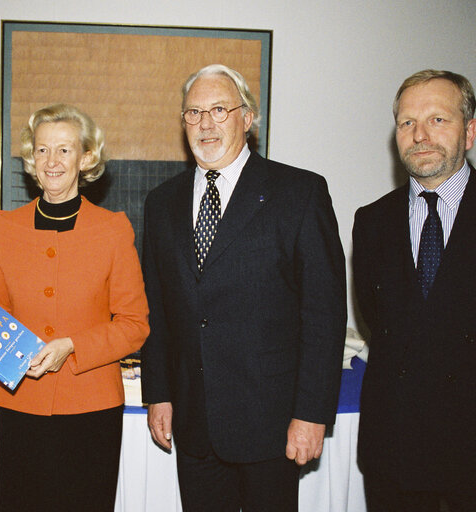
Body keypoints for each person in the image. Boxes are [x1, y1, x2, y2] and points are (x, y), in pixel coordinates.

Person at [140, 64, 346, 511]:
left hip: (269, 423)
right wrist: (158, 392)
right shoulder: (162, 203)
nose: (205, 124)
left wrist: (311, 414)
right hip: (194, 424)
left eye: (219, 109)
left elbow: (324, 315)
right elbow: (156, 309)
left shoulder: (299, 192)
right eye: (193, 113)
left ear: (247, 118)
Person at [353, 69, 476, 512]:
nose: (420, 135)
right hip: (395, 454)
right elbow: (381, 323)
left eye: (438, 120)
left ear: (469, 131)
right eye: (407, 123)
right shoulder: (371, 222)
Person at [0, 104, 149, 512]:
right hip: (22, 402)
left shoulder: (113, 229)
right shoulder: (2, 227)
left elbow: (134, 325)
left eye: (64, 150)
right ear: (30, 159)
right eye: (42, 150)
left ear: (87, 158)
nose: (52, 161)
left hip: (91, 409)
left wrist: (72, 345)